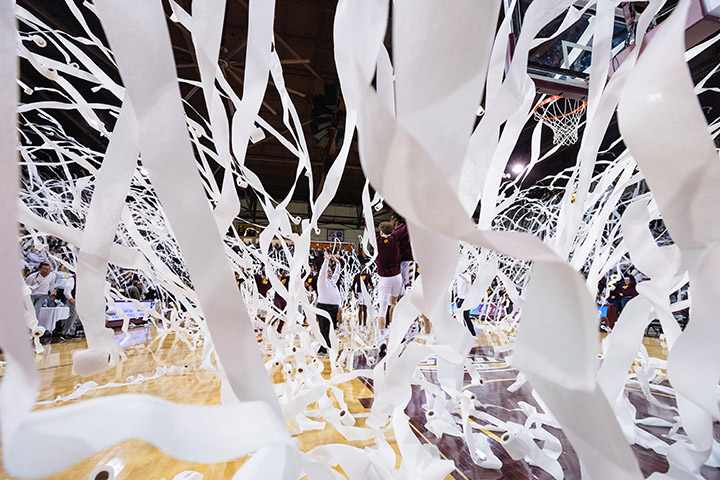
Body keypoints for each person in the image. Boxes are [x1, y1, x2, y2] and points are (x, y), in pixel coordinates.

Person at [375, 221, 402, 337]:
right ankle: (392, 329)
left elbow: (368, 228)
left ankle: (381, 337)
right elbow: (404, 229)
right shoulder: (395, 238)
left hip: (384, 278)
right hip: (397, 276)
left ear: (381, 231)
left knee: (382, 309)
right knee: (394, 303)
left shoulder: (377, 241)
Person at [316, 253, 342, 355]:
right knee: (324, 329)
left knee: (330, 329)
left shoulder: (332, 282)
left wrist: (338, 263)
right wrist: (326, 260)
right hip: (323, 307)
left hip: (333, 308)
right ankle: (324, 349)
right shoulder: (322, 281)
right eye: (328, 271)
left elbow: (337, 274)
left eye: (331, 271)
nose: (330, 273)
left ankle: (327, 348)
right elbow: (322, 272)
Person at [390, 213, 414, 295]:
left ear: (395, 219)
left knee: (408, 286)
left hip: (407, 259)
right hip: (398, 261)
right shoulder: (394, 231)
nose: (390, 222)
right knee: (399, 287)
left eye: (391, 219)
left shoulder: (405, 228)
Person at [60, 273, 82, 339]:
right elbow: (66, 291)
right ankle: (65, 332)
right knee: (73, 315)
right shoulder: (72, 279)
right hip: (73, 300)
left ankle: (72, 332)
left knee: (77, 317)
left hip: (80, 300)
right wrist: (70, 298)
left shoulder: (83, 280)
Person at [454, 271, 475, 336]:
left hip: (466, 300)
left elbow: (468, 280)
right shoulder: (459, 276)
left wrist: (459, 274)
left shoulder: (467, 276)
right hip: (460, 299)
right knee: (460, 317)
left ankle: (472, 333)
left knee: (466, 317)